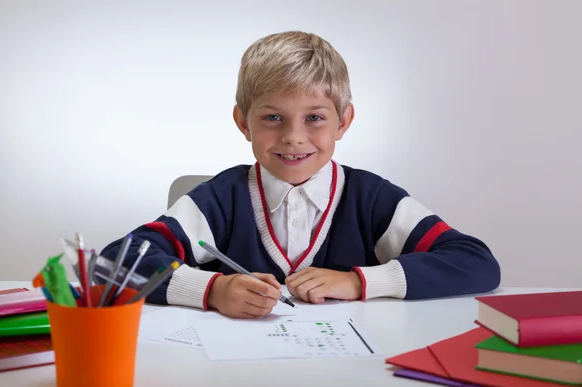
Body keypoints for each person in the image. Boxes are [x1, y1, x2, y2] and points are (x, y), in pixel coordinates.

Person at [100, 31, 500, 319]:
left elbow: (476, 263)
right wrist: (213, 290)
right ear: (243, 122)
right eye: (273, 117)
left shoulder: (371, 198)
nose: (294, 137)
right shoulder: (221, 199)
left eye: (315, 118)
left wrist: (359, 283)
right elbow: (113, 265)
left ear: (343, 121)